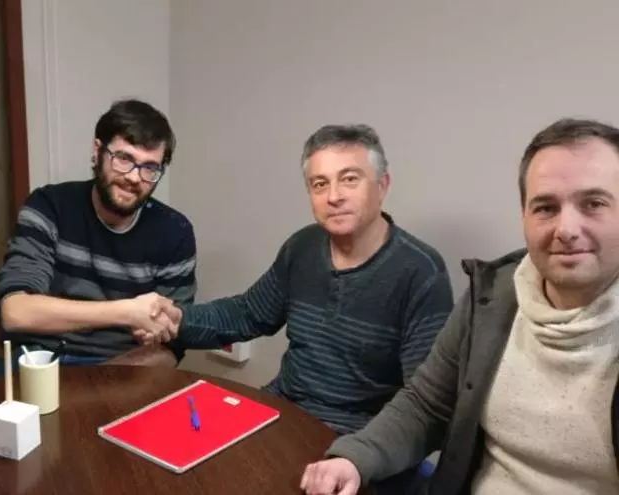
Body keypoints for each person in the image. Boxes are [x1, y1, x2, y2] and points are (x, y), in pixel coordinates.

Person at [301, 117, 619, 495]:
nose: (566, 229)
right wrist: (355, 458)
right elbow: (427, 405)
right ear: (524, 215)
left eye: (594, 204)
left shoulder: (417, 267)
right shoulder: (492, 297)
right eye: (546, 207)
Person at [169, 124, 454, 435]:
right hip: (283, 411)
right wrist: (174, 319)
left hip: (358, 437)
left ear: (382, 185)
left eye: (349, 179)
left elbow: (423, 402)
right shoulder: (302, 246)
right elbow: (247, 314)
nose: (334, 196)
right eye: (320, 184)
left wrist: (359, 455)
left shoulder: (421, 271)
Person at [0, 98, 196, 368]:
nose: (134, 177)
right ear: (97, 151)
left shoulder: (175, 232)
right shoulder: (49, 207)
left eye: (149, 168)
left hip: (125, 369)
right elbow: (16, 312)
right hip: (41, 361)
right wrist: (127, 313)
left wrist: (103, 381)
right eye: (124, 159)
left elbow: (171, 346)